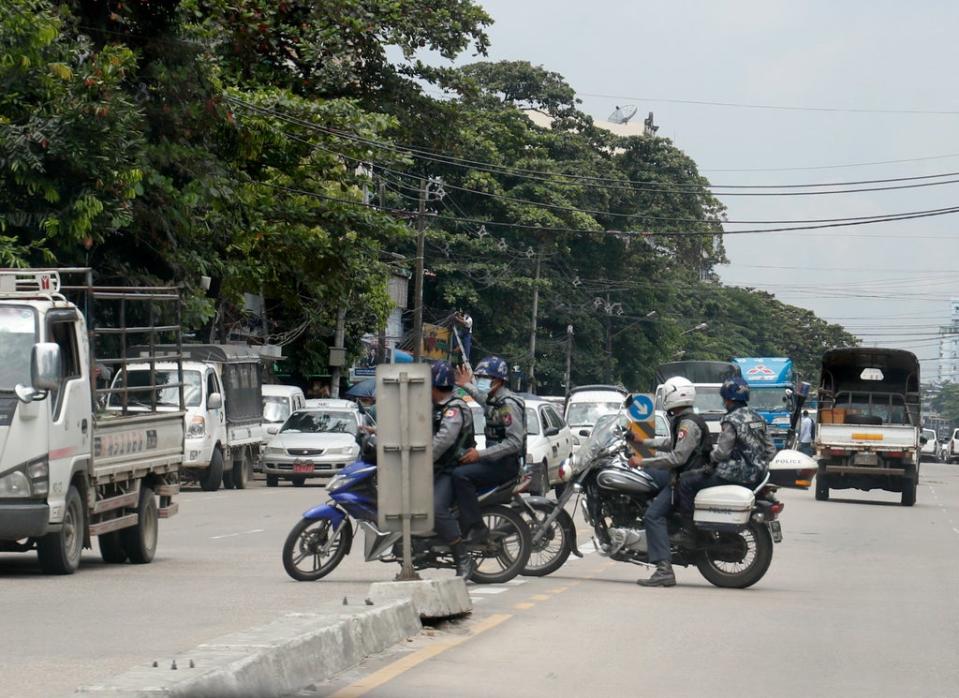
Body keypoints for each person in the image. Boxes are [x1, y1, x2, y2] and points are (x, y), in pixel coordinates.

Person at [629, 376, 711, 588]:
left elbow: (678, 457)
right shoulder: (684, 420)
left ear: (674, 395)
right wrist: (642, 441)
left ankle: (664, 570)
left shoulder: (688, 423)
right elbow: (670, 442)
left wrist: (642, 460)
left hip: (686, 478)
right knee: (649, 476)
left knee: (653, 515)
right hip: (685, 475)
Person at [678, 376, 777, 520]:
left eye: (724, 399)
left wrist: (710, 458)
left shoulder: (731, 420)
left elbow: (722, 453)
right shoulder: (757, 417)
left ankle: (688, 530)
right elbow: (771, 450)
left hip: (735, 475)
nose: (724, 402)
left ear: (728, 399)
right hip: (759, 476)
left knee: (685, 481)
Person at [453, 356, 525, 542]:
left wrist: (480, 455)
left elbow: (514, 442)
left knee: (460, 476)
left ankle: (476, 527)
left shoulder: (507, 405)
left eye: (486, 378)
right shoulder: (495, 401)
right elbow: (481, 398)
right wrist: (466, 385)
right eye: (480, 378)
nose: (482, 382)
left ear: (499, 381)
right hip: (495, 461)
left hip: (504, 465)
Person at [430, 361, 476, 577]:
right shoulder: (437, 407)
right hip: (440, 468)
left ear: (435, 386)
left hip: (453, 469)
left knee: (436, 507)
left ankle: (462, 555)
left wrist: (424, 458)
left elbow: (444, 439)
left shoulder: (454, 408)